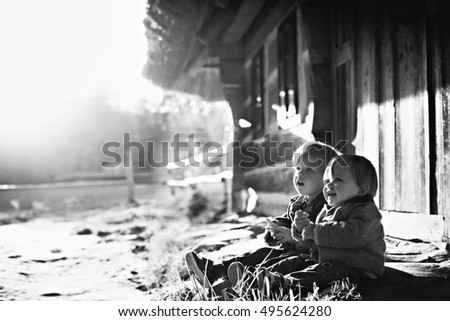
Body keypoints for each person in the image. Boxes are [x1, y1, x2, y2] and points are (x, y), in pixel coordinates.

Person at [184, 141, 340, 289]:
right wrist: (277, 226)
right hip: (286, 249)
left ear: (327, 178)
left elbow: (322, 239)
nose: (300, 175)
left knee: (273, 263)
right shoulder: (298, 202)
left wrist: (293, 238)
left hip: (305, 257)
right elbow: (287, 218)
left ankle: (246, 281)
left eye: (309, 170)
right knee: (257, 254)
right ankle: (214, 271)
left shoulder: (326, 207)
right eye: (298, 169)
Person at [231, 154, 386, 295]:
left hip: (358, 270)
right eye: (327, 181)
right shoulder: (330, 210)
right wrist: (301, 231)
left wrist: (316, 231)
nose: (329, 186)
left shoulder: (366, 212)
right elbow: (314, 243)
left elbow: (352, 235)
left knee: (319, 273)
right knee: (294, 262)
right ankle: (255, 280)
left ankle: (284, 284)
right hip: (328, 260)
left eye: (338, 180)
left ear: (362, 189)